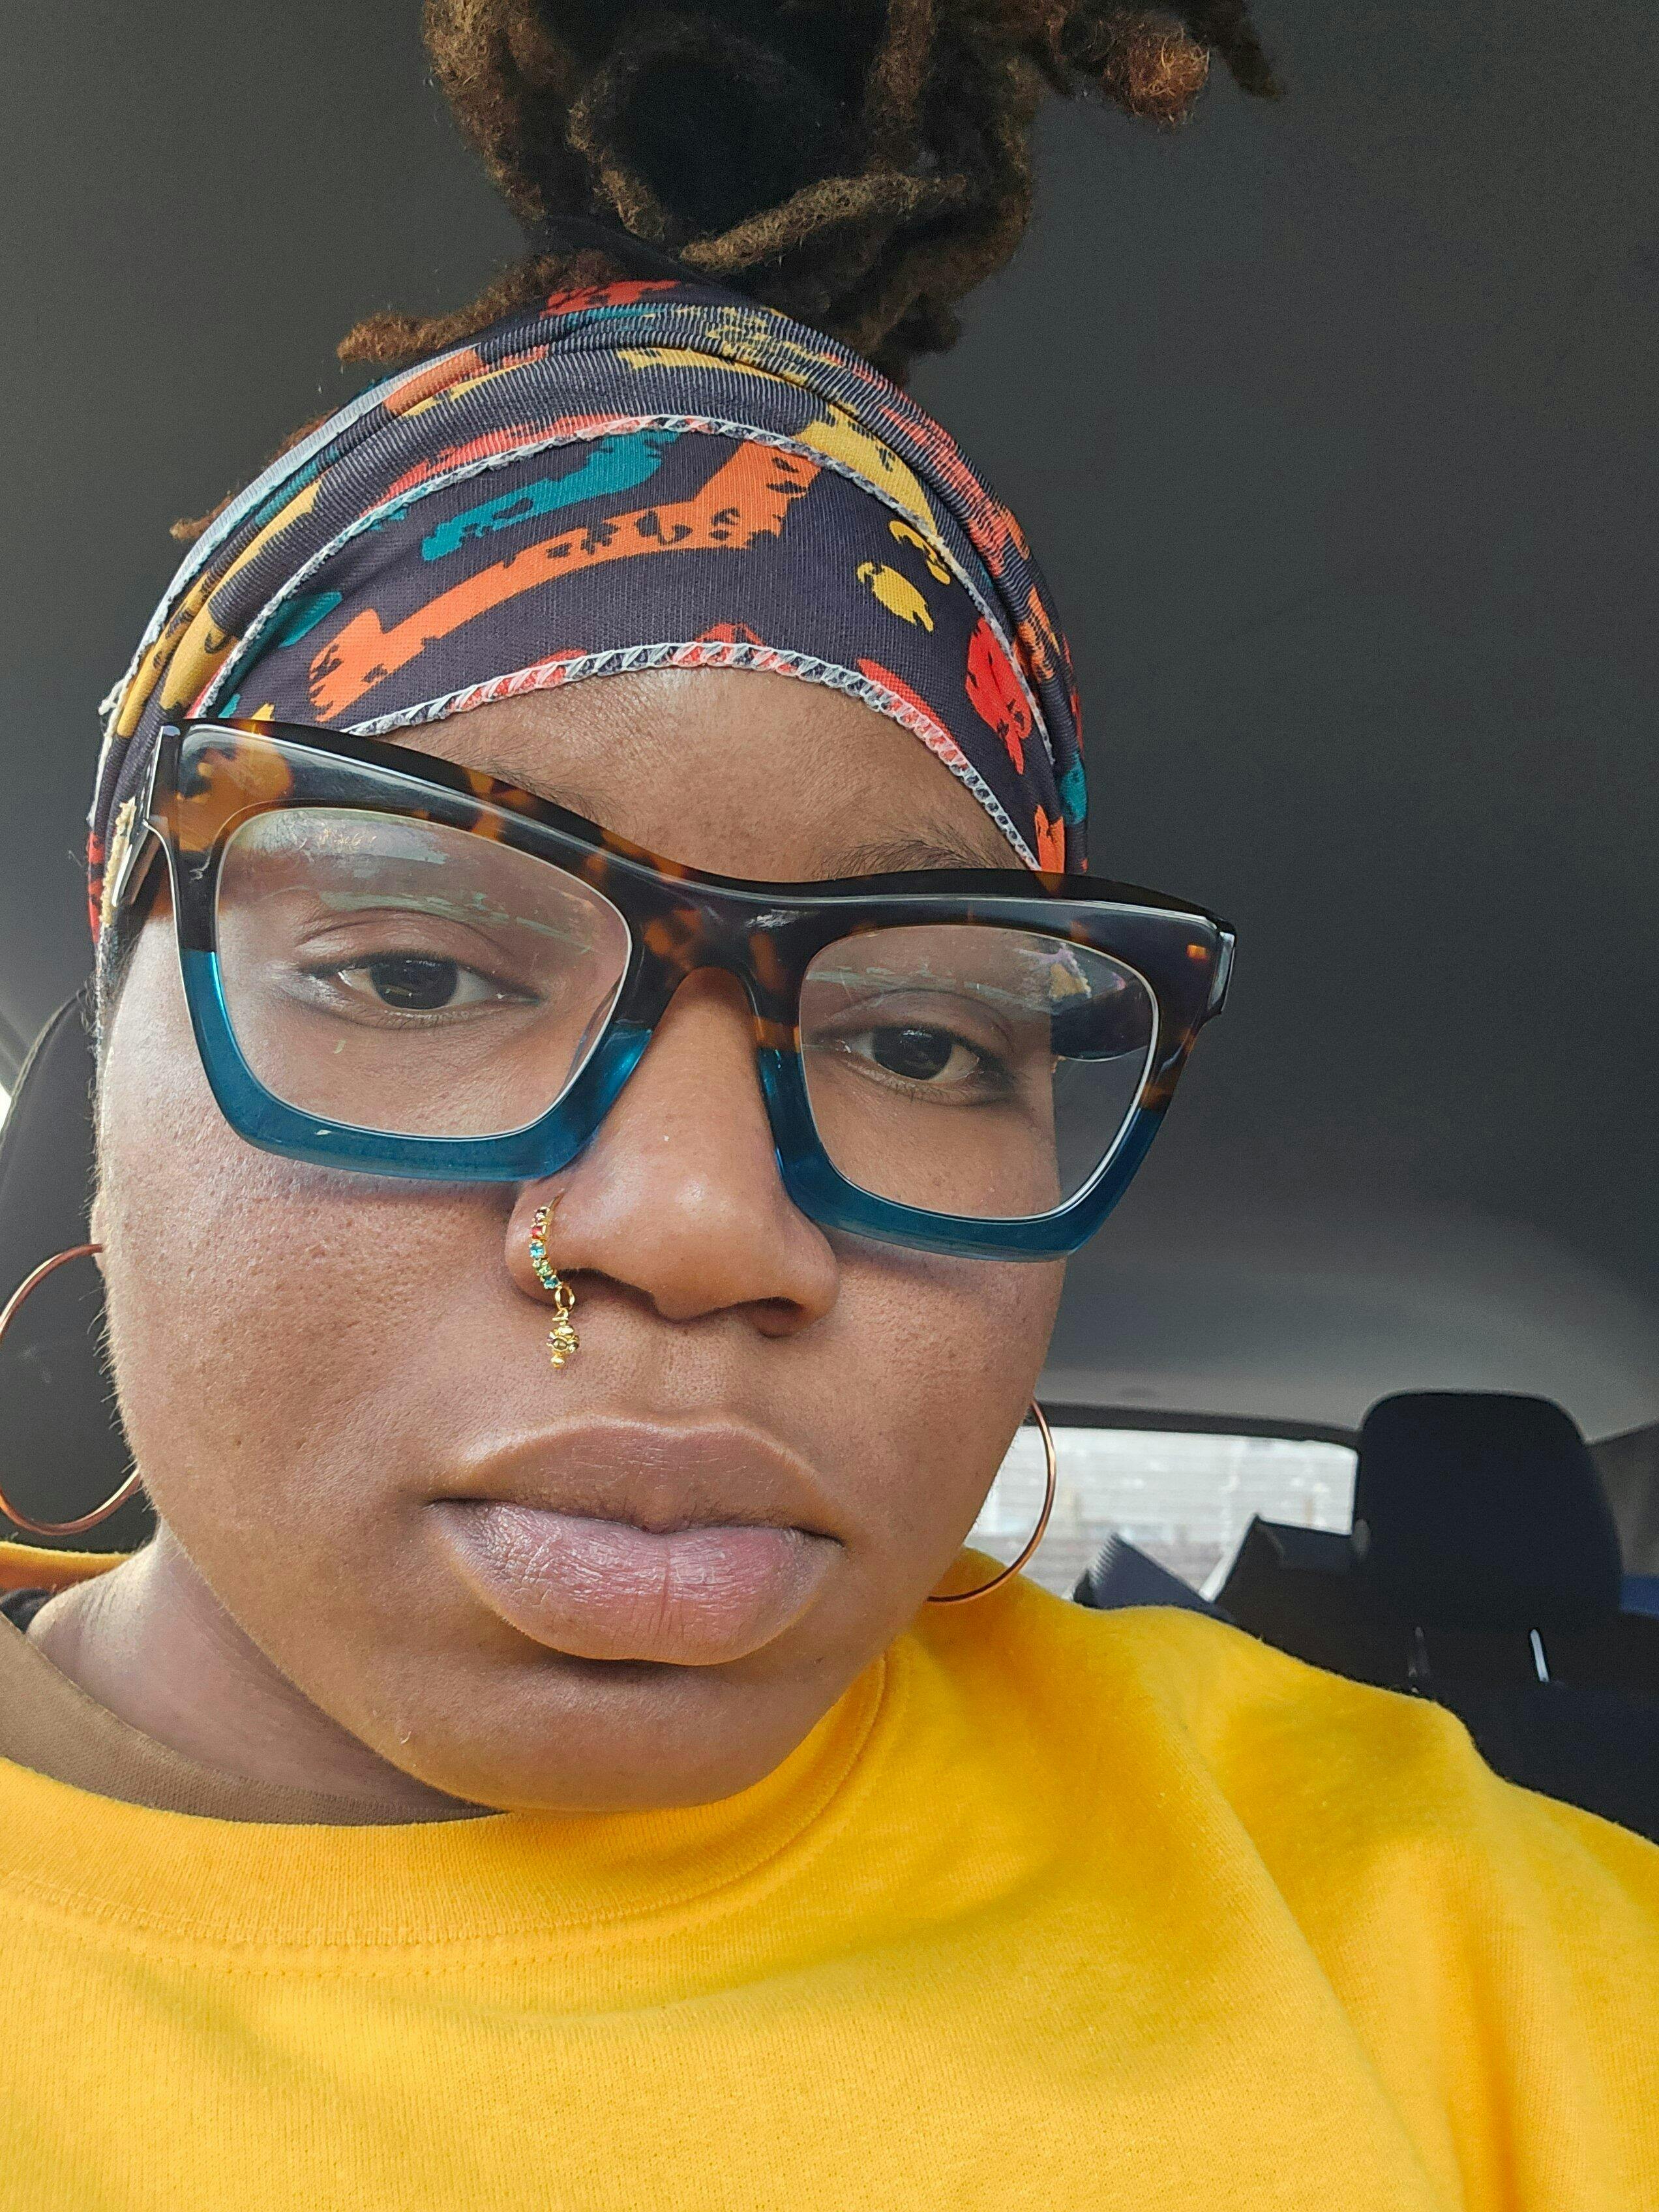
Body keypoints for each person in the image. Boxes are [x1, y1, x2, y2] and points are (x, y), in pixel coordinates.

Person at [0, 5, 1654, 2206]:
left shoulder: (1448, 1936)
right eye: (414, 970)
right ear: (108, 1079)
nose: (701, 1227)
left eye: (920, 1040)